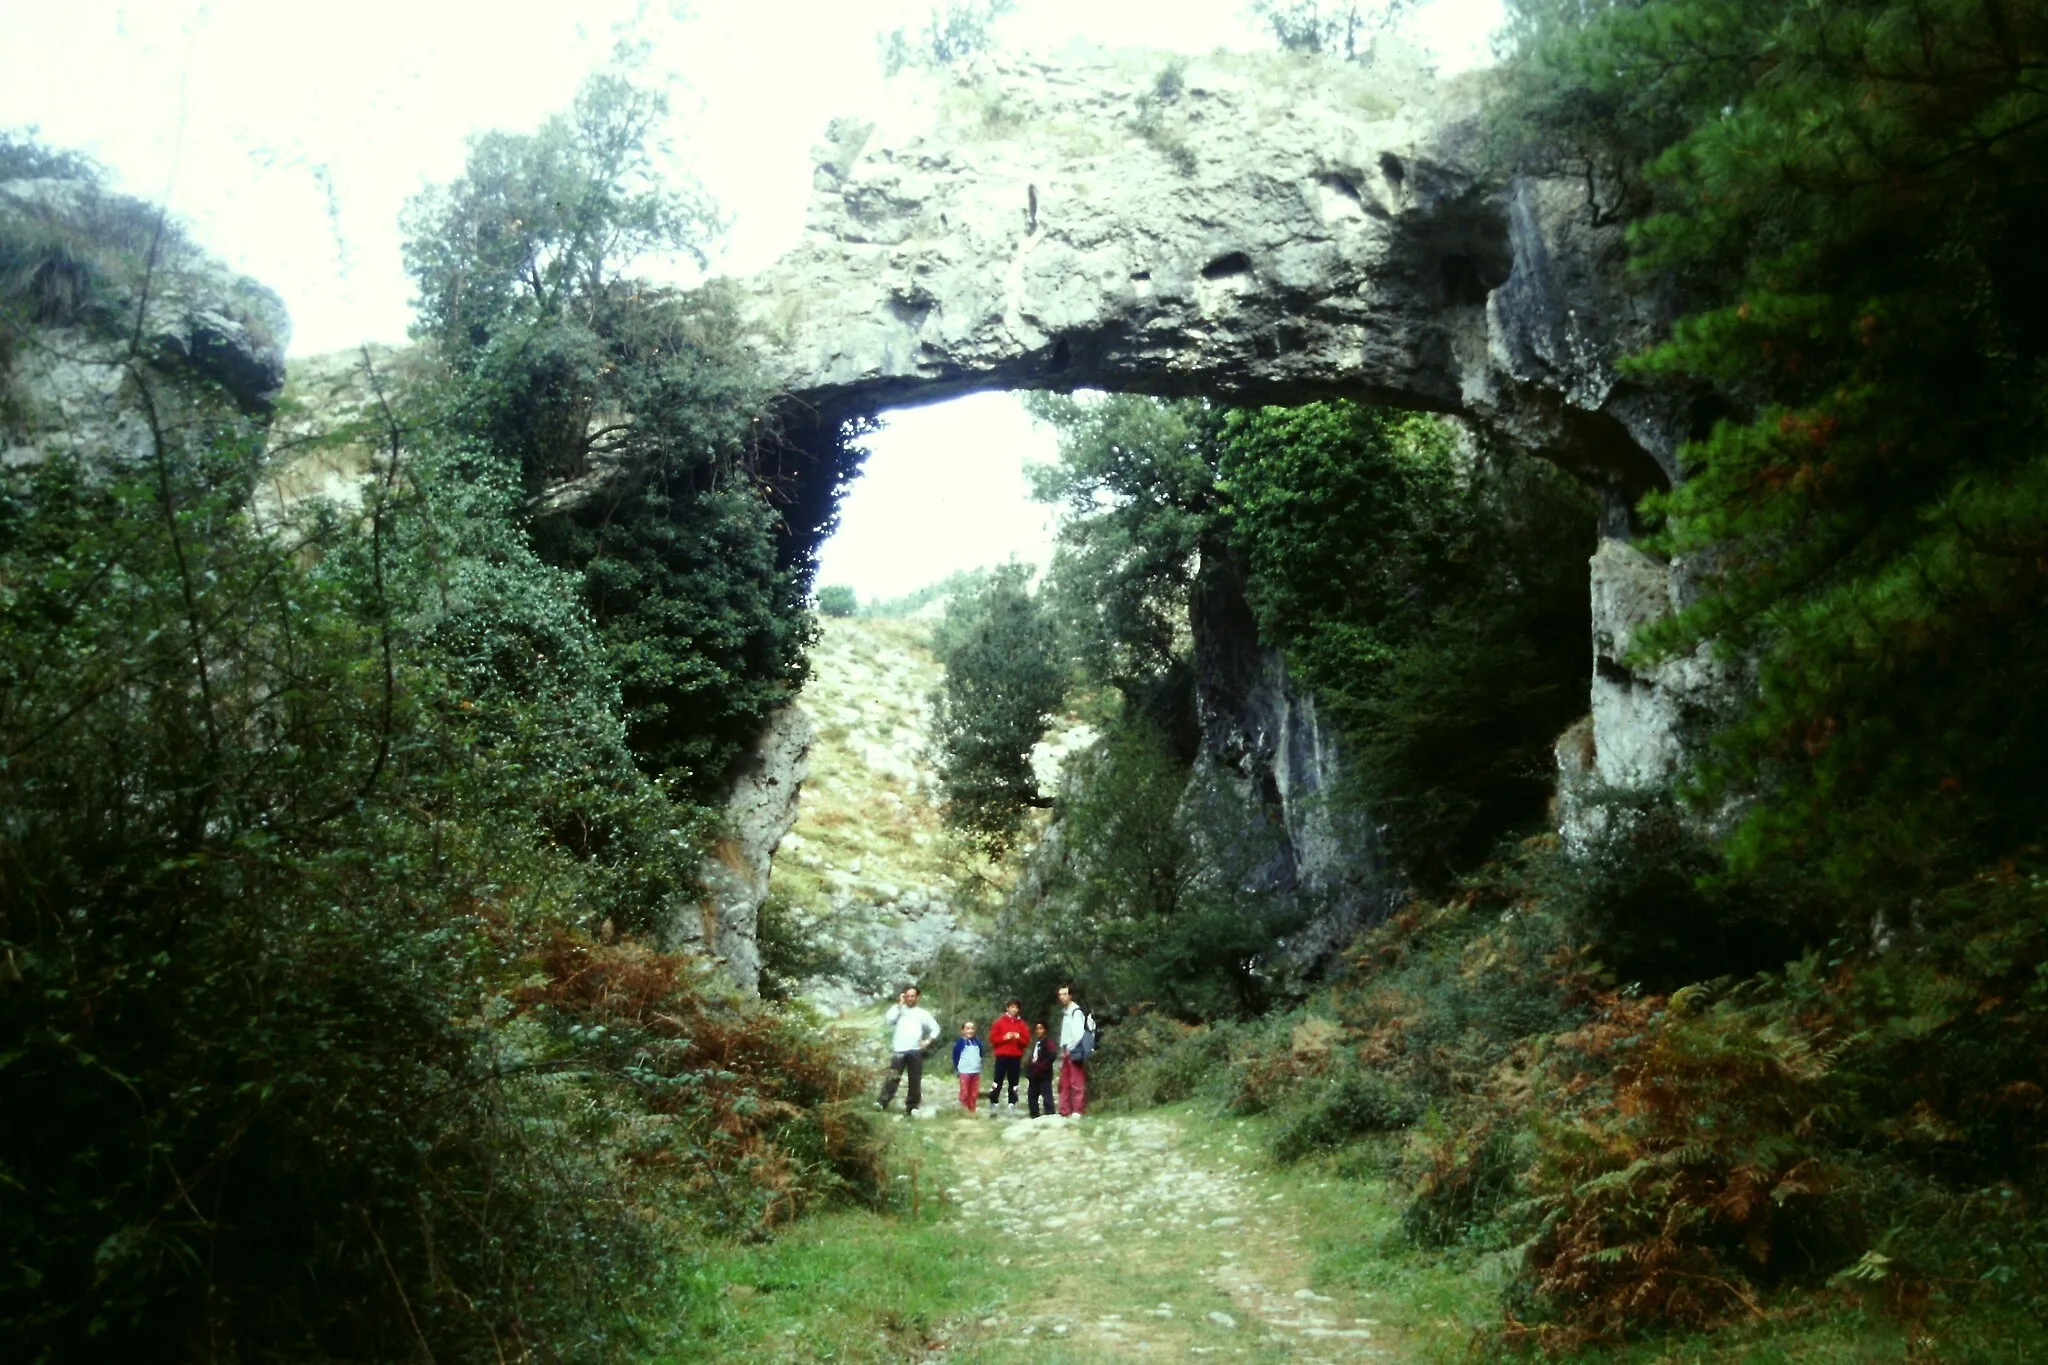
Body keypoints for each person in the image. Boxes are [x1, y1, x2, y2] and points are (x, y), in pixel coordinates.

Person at [876, 985, 940, 1116]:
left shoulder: (922, 1013)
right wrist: (899, 1004)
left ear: (917, 997)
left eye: (913, 996)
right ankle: (882, 1102)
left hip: (915, 1049)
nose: (910, 999)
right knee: (893, 1076)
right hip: (899, 1048)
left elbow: (935, 1028)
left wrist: (927, 1041)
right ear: (904, 996)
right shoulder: (898, 1009)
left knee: (915, 1079)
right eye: (908, 996)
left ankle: (912, 1107)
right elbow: (889, 1019)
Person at [1056, 983, 1095, 1118]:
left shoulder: (1075, 1011)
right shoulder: (1066, 1012)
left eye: (1065, 994)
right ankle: (1064, 1110)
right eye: (1060, 994)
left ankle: (1078, 1110)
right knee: (1064, 1082)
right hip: (1066, 1049)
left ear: (1070, 995)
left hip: (1074, 1049)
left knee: (1076, 1081)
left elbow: (1078, 1034)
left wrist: (1070, 1049)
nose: (1062, 997)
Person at [986, 999, 1030, 1116]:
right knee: (997, 1081)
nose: (1013, 1010)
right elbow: (992, 1039)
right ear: (1007, 1008)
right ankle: (993, 1104)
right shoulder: (999, 1022)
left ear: (1019, 1010)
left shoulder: (1022, 1025)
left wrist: (1018, 1038)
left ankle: (1012, 1105)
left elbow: (1026, 1042)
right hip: (1001, 1056)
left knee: (1014, 1082)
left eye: (1016, 1007)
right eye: (1011, 1007)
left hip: (1015, 1057)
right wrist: (1004, 1037)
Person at [952, 1019, 985, 1114]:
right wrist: (957, 1068)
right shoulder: (960, 1043)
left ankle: (972, 1110)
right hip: (964, 1071)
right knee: (965, 1092)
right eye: (967, 1029)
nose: (970, 1031)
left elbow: (980, 1054)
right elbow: (955, 1056)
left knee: (974, 1092)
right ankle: (963, 1110)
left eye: (972, 1029)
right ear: (963, 1030)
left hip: (975, 1071)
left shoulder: (978, 1043)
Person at [1025, 1021, 1057, 1119]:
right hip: (1034, 1074)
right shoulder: (1036, 1043)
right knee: (1032, 1095)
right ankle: (1034, 1114)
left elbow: (1053, 1054)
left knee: (1046, 1093)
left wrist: (1043, 1065)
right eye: (1037, 1029)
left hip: (1044, 1074)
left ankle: (1050, 1113)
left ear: (1045, 1030)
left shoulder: (1048, 1042)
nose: (1039, 1031)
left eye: (1041, 1028)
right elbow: (1033, 1056)